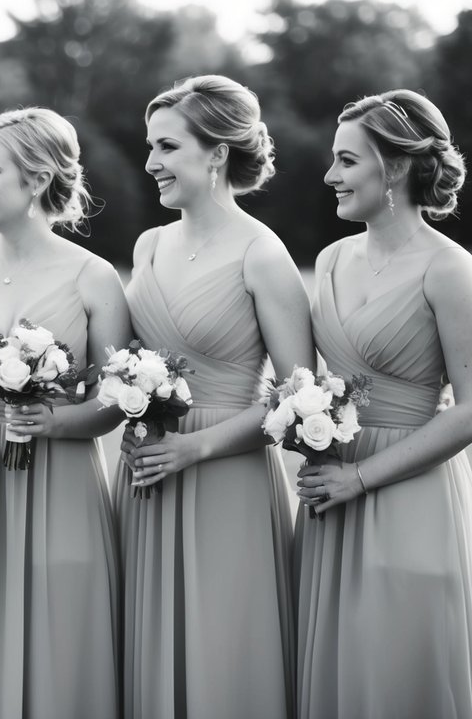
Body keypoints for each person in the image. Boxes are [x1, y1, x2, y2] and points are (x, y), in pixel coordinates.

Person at [295, 90, 472, 718]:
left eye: (346, 160)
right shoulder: (332, 259)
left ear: (392, 168)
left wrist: (359, 478)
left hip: (407, 489)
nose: (330, 176)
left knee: (398, 669)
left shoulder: (448, 268)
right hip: (327, 491)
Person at [117, 75, 311, 718]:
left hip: (225, 476)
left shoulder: (262, 254)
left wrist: (194, 447)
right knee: (152, 648)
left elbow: (300, 396)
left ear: (218, 152)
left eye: (167, 147)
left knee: (226, 650)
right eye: (151, 147)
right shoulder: (148, 245)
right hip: (147, 473)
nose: (151, 163)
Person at [0, 107, 125, 719]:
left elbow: (113, 399)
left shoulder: (92, 276)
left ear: (39, 176)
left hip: (61, 482)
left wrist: (57, 423)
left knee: (60, 633)